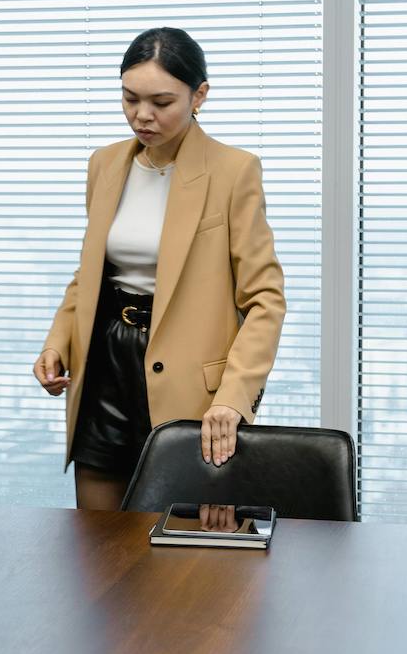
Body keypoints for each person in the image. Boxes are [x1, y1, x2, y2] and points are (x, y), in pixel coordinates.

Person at [34, 27, 286, 509]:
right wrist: (57, 342)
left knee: (183, 562)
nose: (141, 116)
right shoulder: (105, 165)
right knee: (98, 546)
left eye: (160, 102)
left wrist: (233, 396)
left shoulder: (234, 171)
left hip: (190, 386)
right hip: (104, 368)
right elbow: (88, 275)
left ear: (199, 95)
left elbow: (265, 299)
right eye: (129, 99)